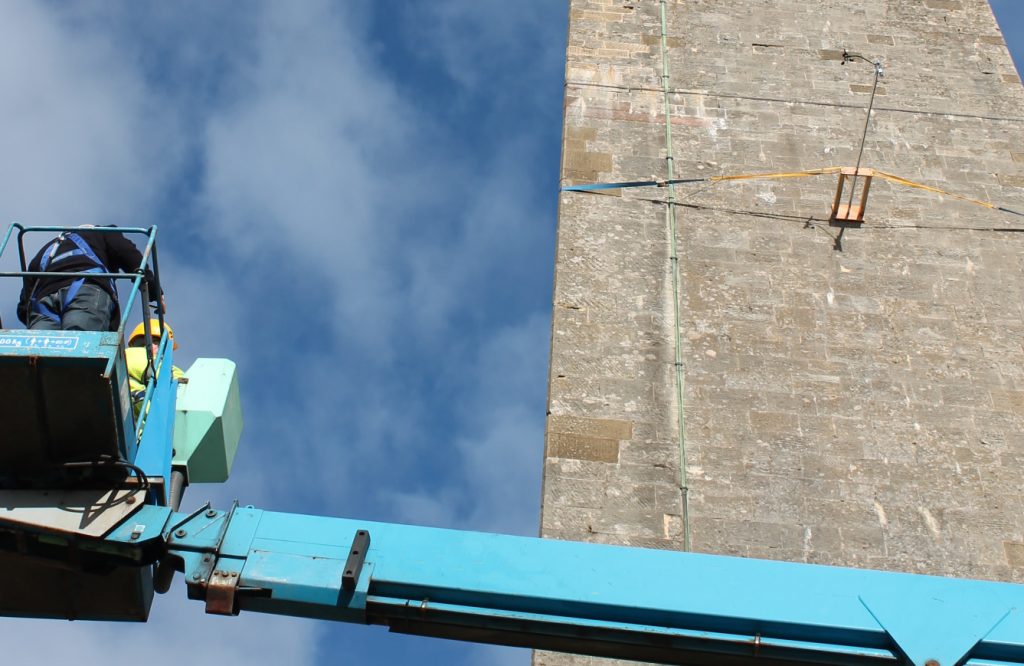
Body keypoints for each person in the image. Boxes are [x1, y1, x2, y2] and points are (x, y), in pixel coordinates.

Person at [17, 225, 161, 331]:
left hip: (42, 303)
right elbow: (126, 252)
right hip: (85, 290)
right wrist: (153, 290)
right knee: (79, 346)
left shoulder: (47, 250)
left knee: (37, 353)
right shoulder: (102, 232)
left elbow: (26, 298)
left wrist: (30, 316)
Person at [125, 319, 184, 415]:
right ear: (150, 342)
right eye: (161, 345)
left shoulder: (128, 357)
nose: (163, 354)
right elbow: (169, 376)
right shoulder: (136, 354)